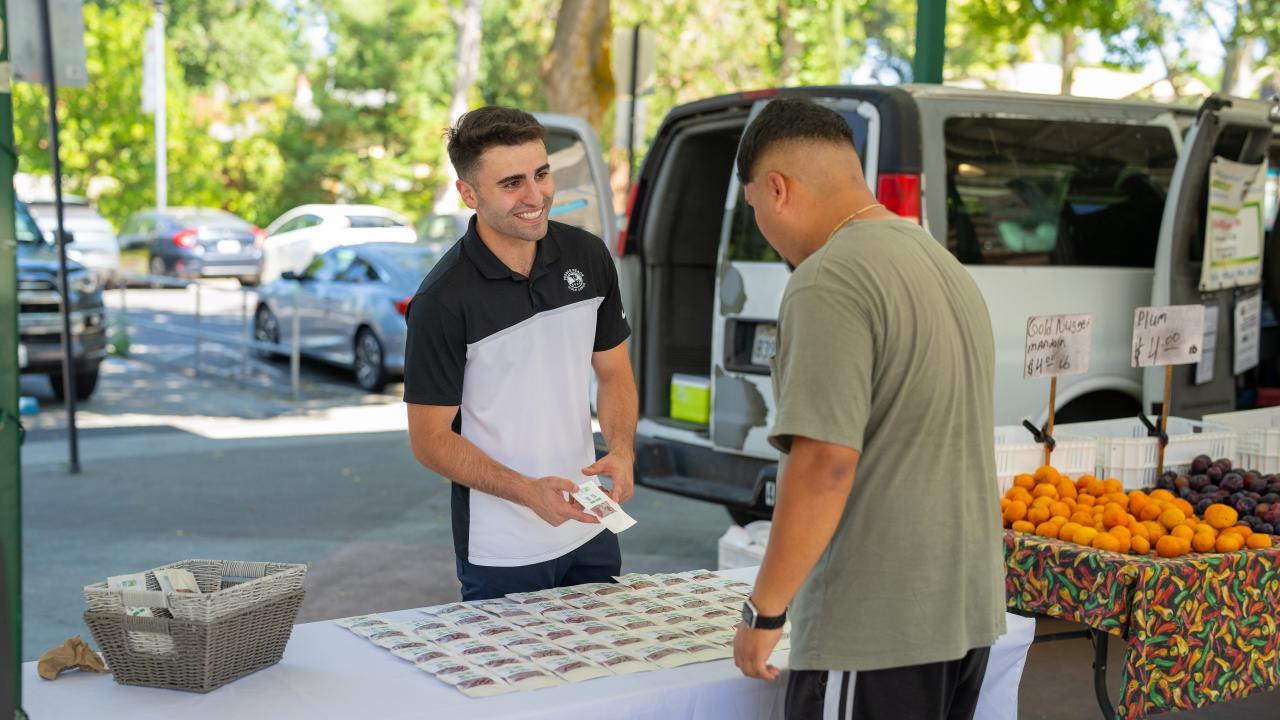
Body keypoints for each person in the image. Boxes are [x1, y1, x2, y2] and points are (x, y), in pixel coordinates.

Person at [730, 97, 1006, 720]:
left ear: (776, 189)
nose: (763, 231)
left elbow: (825, 460)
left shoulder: (829, 277)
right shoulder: (940, 263)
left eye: (754, 211)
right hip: (961, 610)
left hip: (879, 624)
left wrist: (764, 609)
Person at [403, 106, 638, 601]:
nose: (536, 196)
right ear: (469, 194)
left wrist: (620, 449)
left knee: (606, 674)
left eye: (542, 174)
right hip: (501, 551)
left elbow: (614, 373)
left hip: (592, 527)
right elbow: (428, 441)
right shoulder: (442, 301)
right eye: (512, 183)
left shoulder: (588, 257)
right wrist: (526, 492)